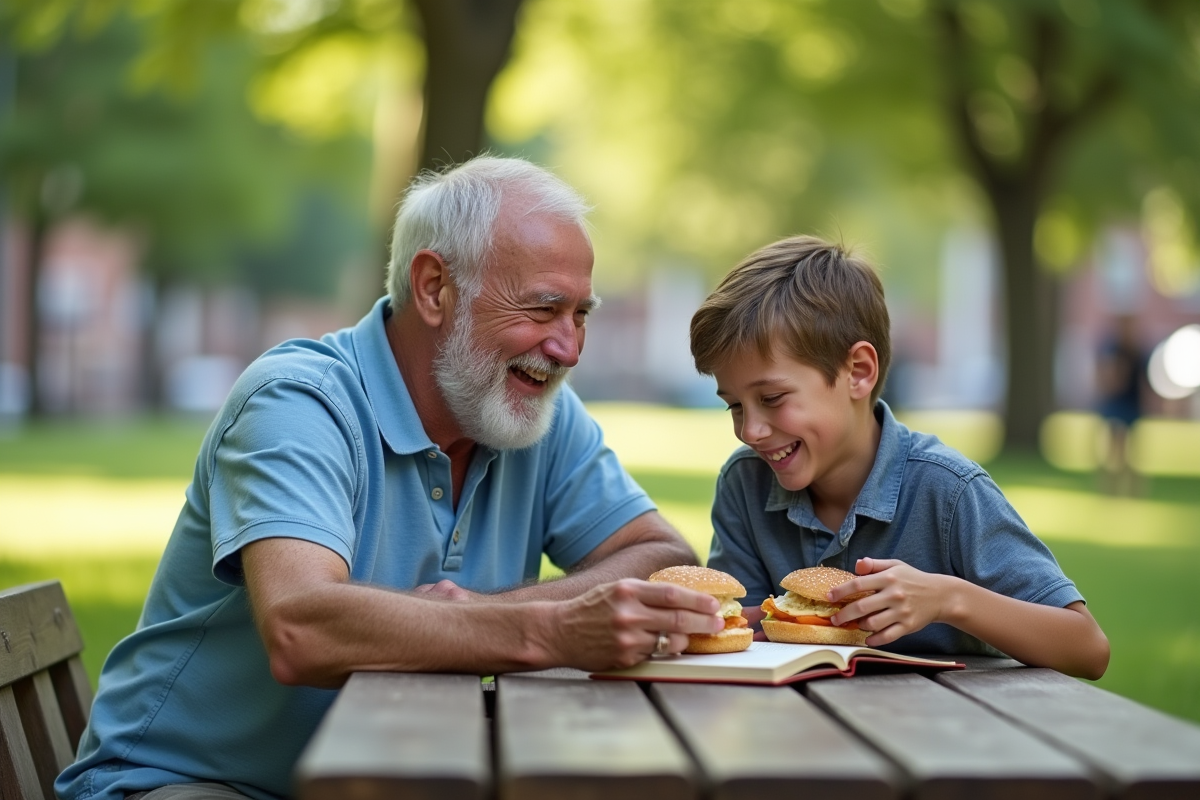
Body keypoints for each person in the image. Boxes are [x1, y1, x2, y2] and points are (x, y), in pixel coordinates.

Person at [57, 157, 723, 800]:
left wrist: (479, 616)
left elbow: (661, 557)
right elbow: (302, 629)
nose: (569, 348)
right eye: (544, 309)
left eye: (581, 314)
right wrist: (547, 630)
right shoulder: (296, 402)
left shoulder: (533, 408)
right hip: (185, 785)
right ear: (435, 288)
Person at [689, 235, 1109, 679]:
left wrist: (949, 599)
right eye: (734, 405)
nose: (749, 430)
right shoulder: (745, 483)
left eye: (772, 398)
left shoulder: (947, 491)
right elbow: (744, 632)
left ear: (859, 372)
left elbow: (1087, 648)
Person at [1095, 315, 1148, 495]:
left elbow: (1141, 382)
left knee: (1128, 453)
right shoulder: (1114, 349)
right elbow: (1109, 379)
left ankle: (1131, 489)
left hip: (1130, 405)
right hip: (1117, 404)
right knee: (1113, 449)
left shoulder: (1136, 352)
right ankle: (1110, 489)